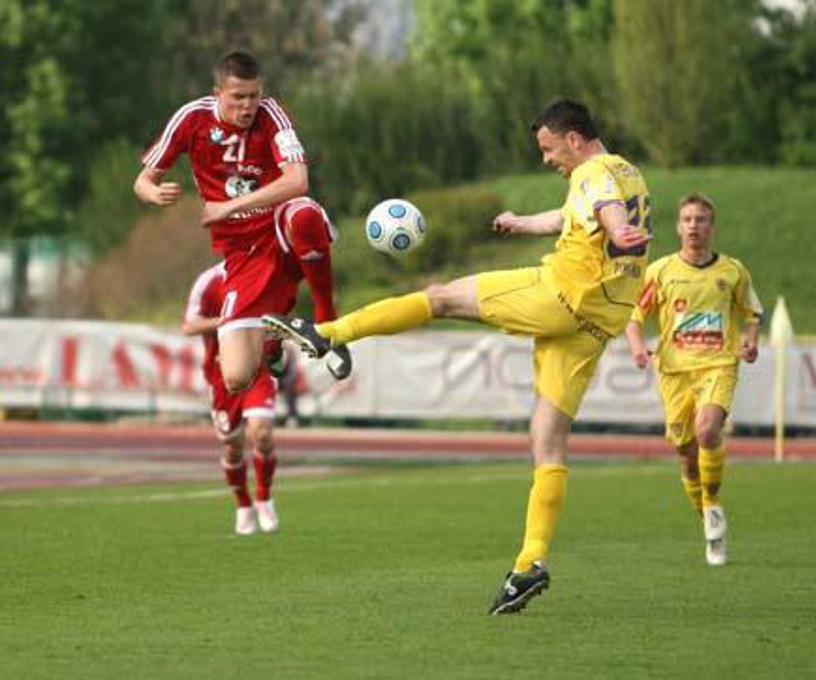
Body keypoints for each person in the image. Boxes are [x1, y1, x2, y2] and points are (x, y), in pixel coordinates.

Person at [264, 99, 653, 614]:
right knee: (548, 442)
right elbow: (573, 217)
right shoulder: (628, 172)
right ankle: (529, 564)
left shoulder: (595, 173)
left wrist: (618, 230)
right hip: (595, 322)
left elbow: (605, 208)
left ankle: (328, 332)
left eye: (548, 148)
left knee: (441, 297)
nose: (546, 159)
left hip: (563, 293)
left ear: (574, 139)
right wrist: (521, 222)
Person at [133, 49, 351, 405]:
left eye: (254, 95)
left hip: (280, 227)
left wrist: (228, 207)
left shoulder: (272, 115)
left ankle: (328, 322)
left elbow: (298, 181)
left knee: (305, 215)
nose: (248, 106)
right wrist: (153, 193)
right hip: (242, 252)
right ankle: (273, 340)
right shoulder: (191, 119)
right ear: (217, 93)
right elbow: (142, 181)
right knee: (236, 377)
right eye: (238, 97)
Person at [625, 193, 762, 566]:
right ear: (678, 227)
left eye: (701, 219)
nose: (693, 226)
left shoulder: (732, 271)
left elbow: (752, 313)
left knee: (707, 430)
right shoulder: (661, 271)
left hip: (718, 365)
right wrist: (637, 348)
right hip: (674, 372)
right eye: (687, 219)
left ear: (711, 227)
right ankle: (707, 520)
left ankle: (713, 505)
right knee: (687, 457)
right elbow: (634, 316)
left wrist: (750, 341)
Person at [182, 262, 282, 535]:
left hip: (258, 368)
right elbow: (189, 326)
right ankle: (243, 505)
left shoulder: (266, 273)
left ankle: (264, 498)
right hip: (222, 374)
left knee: (262, 432)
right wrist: (227, 320)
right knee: (232, 446)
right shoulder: (209, 280)